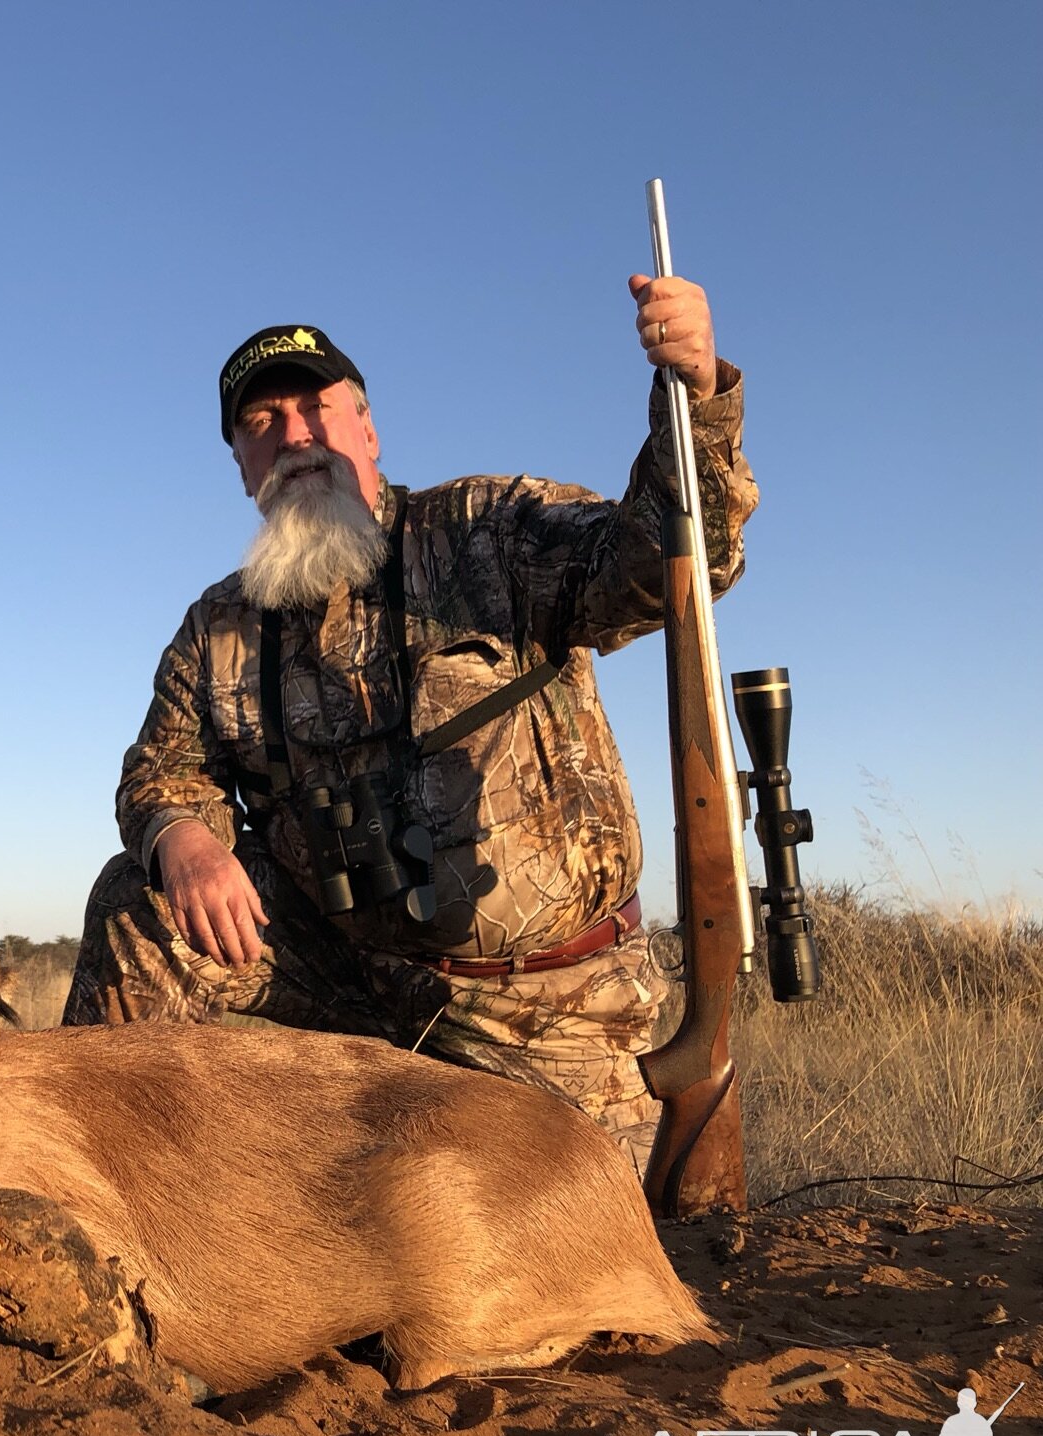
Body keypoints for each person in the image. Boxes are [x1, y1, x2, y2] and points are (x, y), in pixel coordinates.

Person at [60, 279, 758, 1175]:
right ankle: (88, 1190)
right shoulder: (219, 624)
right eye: (262, 422)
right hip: (350, 980)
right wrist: (183, 837)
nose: (295, 436)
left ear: (369, 431)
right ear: (240, 463)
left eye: (316, 407)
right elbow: (162, 770)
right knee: (142, 899)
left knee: (541, 1255)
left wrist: (693, 395)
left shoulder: (488, 530)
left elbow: (666, 562)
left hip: (541, 1006)